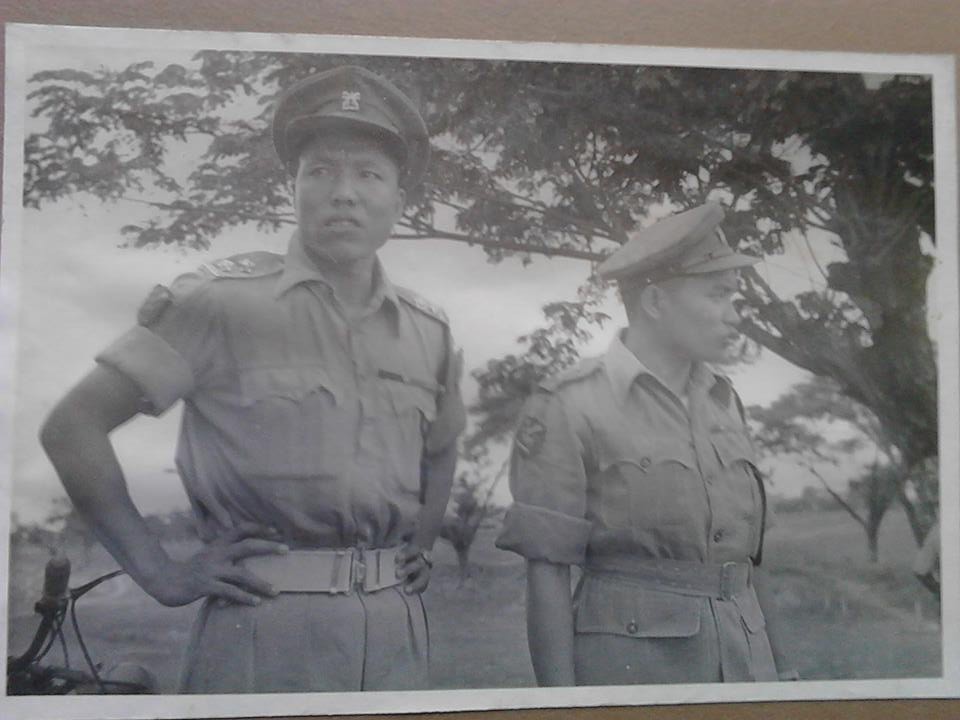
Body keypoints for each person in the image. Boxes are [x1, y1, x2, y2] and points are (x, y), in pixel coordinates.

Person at [40, 65, 465, 693]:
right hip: (266, 621)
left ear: (399, 200)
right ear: (290, 188)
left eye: (368, 174)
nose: (343, 192)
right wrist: (162, 575)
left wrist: (421, 544)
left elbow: (442, 445)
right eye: (320, 170)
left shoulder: (429, 328)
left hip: (397, 625)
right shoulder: (219, 301)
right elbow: (73, 426)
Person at [497, 203, 794, 685]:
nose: (735, 317)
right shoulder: (570, 404)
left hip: (747, 665)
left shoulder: (724, 401)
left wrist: (787, 673)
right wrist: (561, 706)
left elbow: (749, 562)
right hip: (637, 673)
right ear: (655, 303)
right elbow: (548, 573)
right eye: (719, 296)